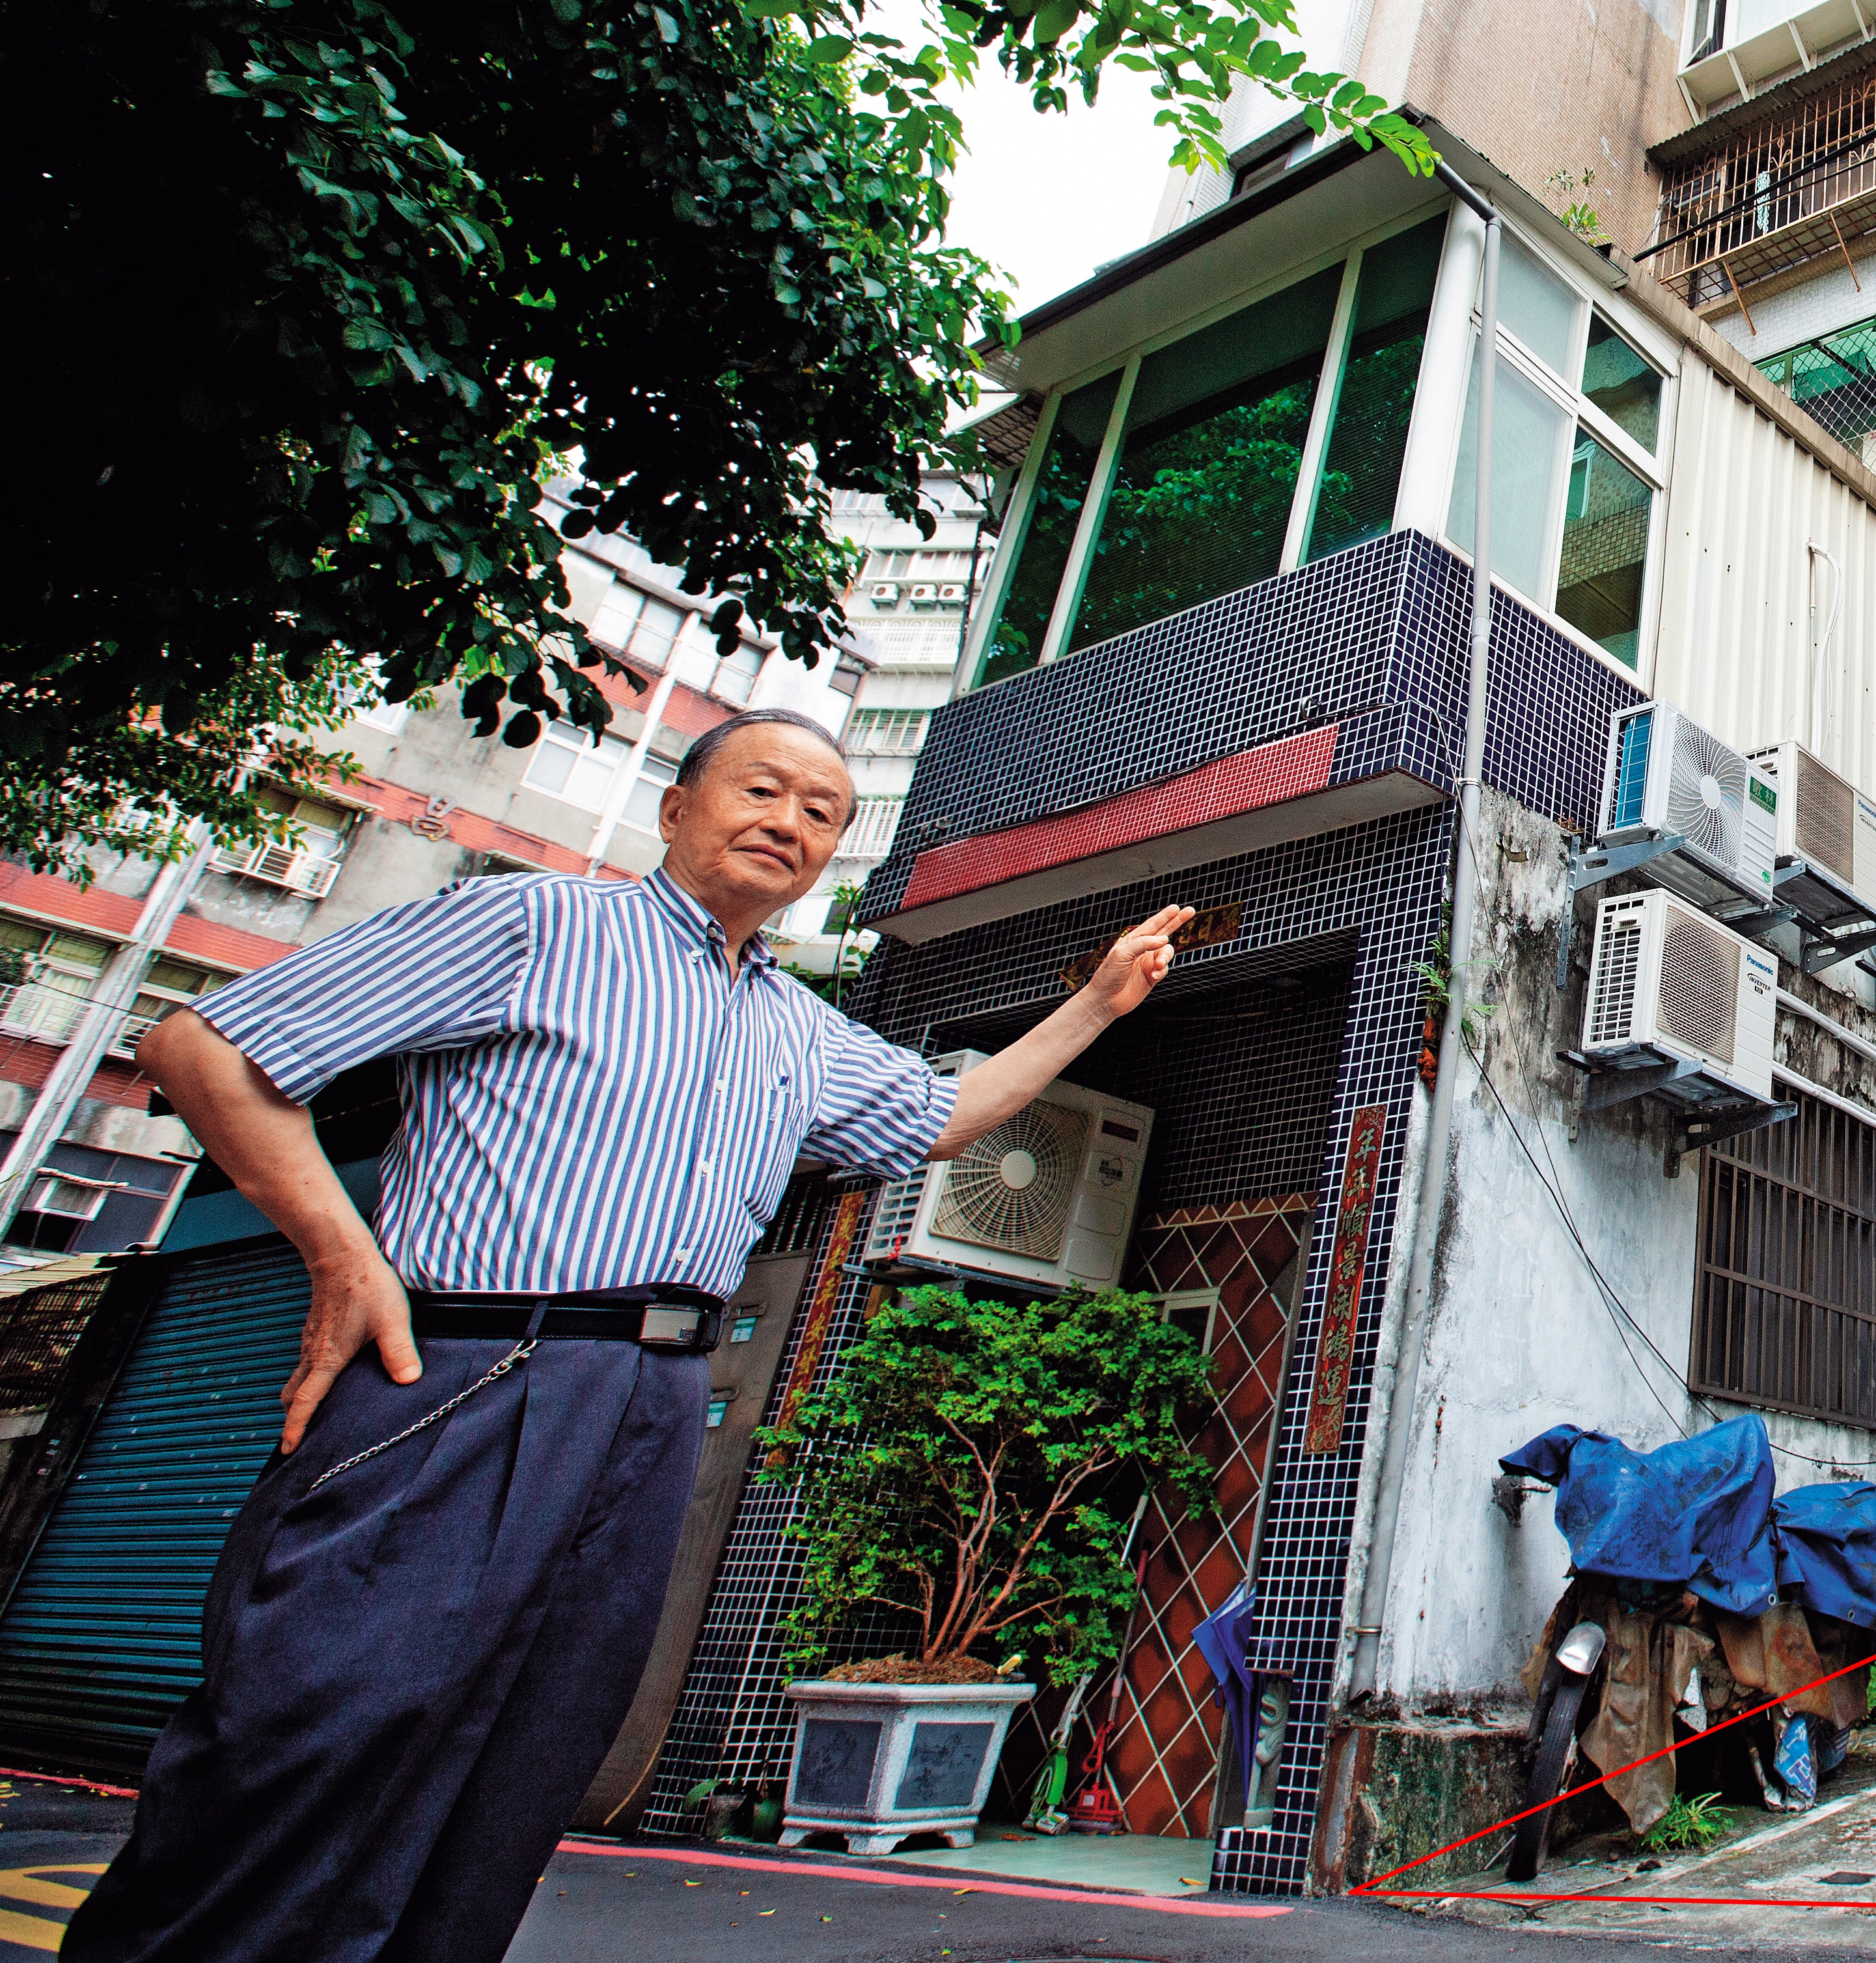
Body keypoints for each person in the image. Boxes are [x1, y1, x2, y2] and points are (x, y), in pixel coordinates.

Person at [72, 706, 1195, 1963]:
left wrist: (1096, 1004)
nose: (788, 822)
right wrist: (343, 1257)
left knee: (528, 1748)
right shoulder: (538, 926)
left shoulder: (797, 1027)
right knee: (323, 1712)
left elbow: (939, 1118)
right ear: (676, 807)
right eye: (762, 790)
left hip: (656, 1401)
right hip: (463, 1369)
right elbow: (202, 1047)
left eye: (822, 814)